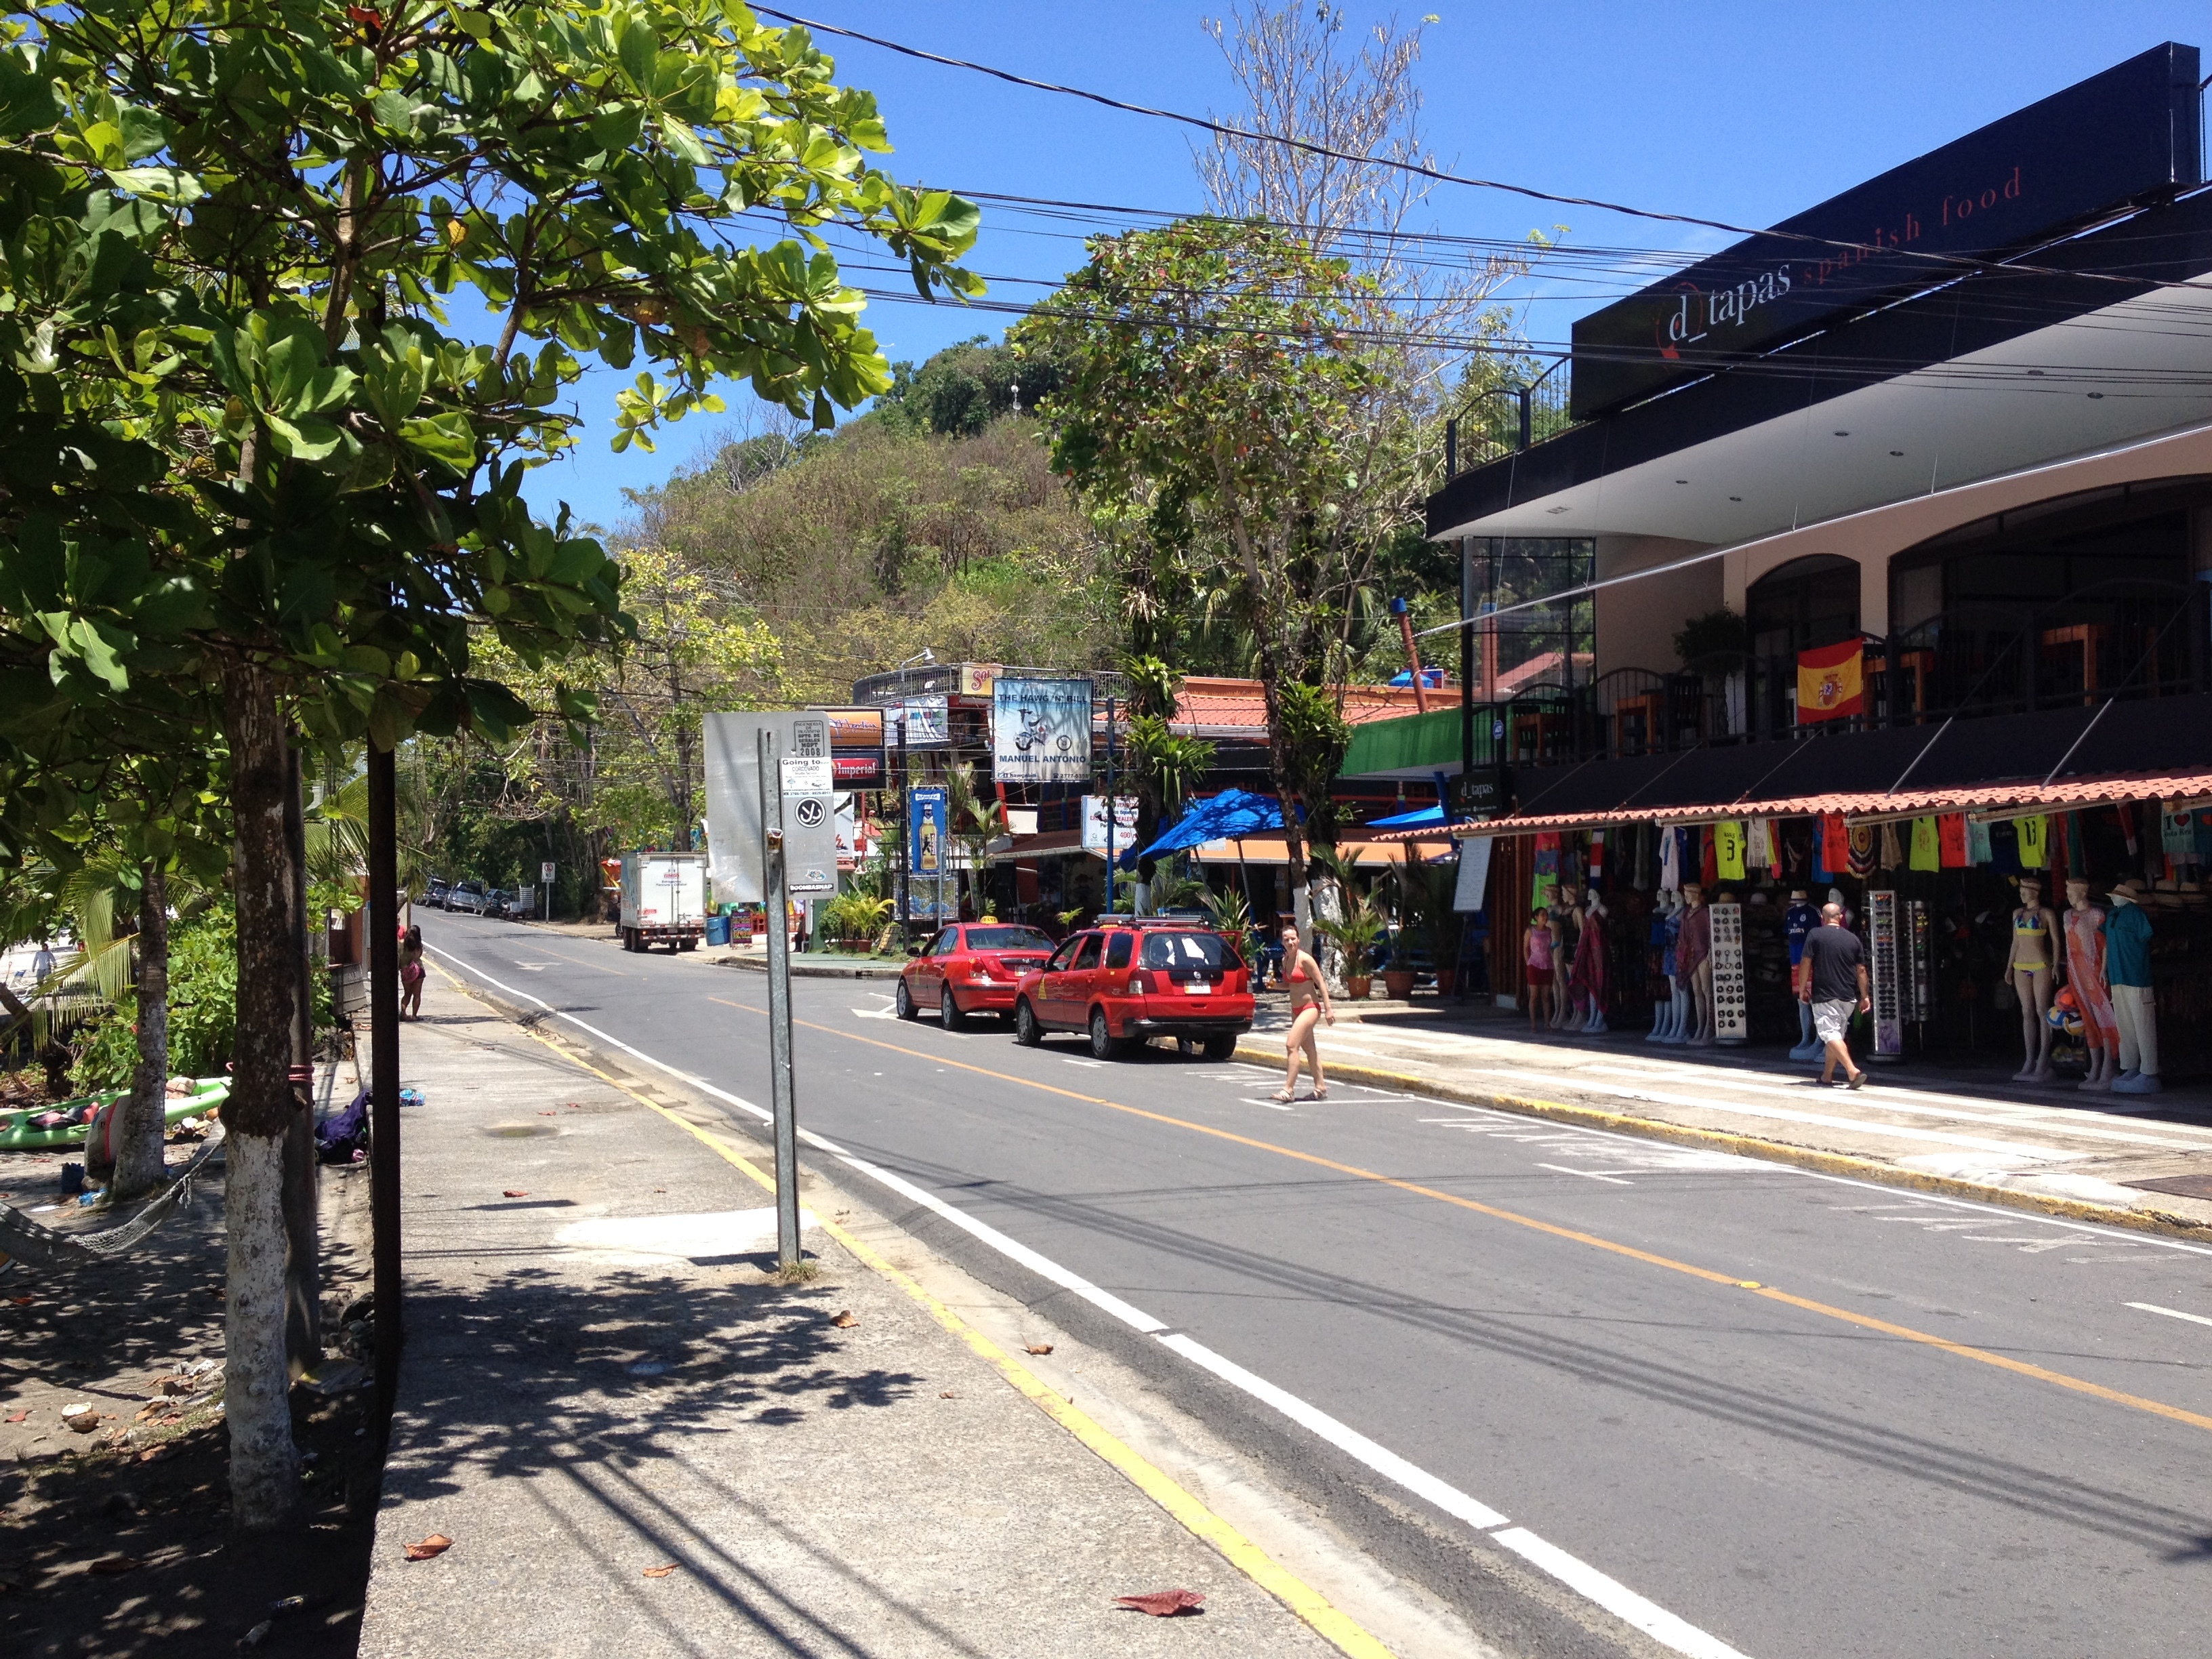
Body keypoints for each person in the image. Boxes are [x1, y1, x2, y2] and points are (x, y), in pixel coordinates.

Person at [1797, 901, 1869, 1088]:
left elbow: (1806, 963)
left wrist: (1803, 988)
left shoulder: (1815, 934)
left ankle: (1852, 1071)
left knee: (1829, 1034)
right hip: (1848, 997)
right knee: (1835, 1036)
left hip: (1825, 995)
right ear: (1841, 917)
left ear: (1822, 918)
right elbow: (1861, 970)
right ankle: (1827, 1076)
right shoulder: (1853, 939)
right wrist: (1865, 996)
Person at [2006, 876, 2059, 1082]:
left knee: (2041, 1010)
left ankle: (2042, 1059)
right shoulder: (2016, 914)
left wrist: (2055, 965)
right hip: (2021, 965)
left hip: (2041, 965)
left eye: (2024, 890)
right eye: (2021, 890)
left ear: (2034, 892)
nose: (2021, 894)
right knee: (2026, 1011)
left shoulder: (2046, 913)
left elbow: (2055, 940)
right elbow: (2015, 943)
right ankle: (2029, 1059)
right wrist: (2009, 966)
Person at [1275, 924, 1334, 1102]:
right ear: (1282, 942)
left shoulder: (1306, 960)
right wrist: (1274, 985)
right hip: (1296, 1009)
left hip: (1310, 1008)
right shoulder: (1285, 961)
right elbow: (1289, 985)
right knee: (1310, 1049)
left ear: (1298, 939)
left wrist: (1328, 1009)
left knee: (1291, 1045)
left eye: (1293, 938)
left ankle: (1288, 1090)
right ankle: (1321, 1087)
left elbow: (1321, 983)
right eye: (1286, 940)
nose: (1290, 942)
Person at [1523, 905, 1555, 1031]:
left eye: (1546, 915)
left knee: (1546, 996)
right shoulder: (1531, 931)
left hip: (1547, 965)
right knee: (1534, 995)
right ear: (1536, 917)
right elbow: (1525, 947)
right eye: (1542, 915)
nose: (1545, 917)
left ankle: (1547, 1023)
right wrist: (1528, 962)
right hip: (1534, 965)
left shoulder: (1550, 931)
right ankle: (1533, 1024)